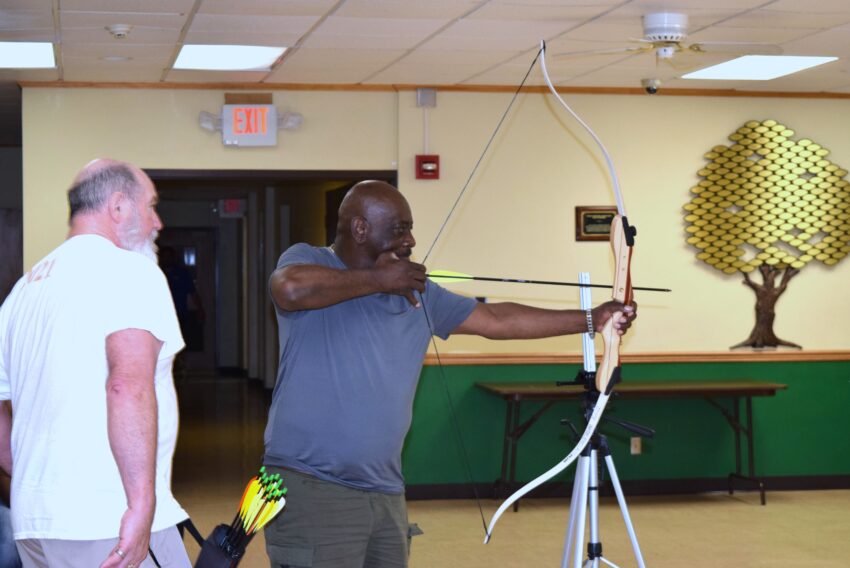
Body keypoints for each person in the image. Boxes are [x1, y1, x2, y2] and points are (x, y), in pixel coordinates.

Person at [262, 180, 637, 568]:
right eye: (398, 228)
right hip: (312, 485)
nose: (409, 240)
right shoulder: (311, 260)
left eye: (409, 228)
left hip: (385, 490)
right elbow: (287, 289)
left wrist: (593, 318)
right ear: (360, 229)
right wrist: (379, 280)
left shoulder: (420, 293)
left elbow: (496, 320)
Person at [0, 159, 191, 567]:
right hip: (107, 521)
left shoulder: (23, 291)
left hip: (35, 523)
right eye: (150, 206)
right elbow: (127, 386)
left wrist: (39, 482)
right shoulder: (131, 272)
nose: (157, 222)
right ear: (118, 207)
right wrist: (141, 507)